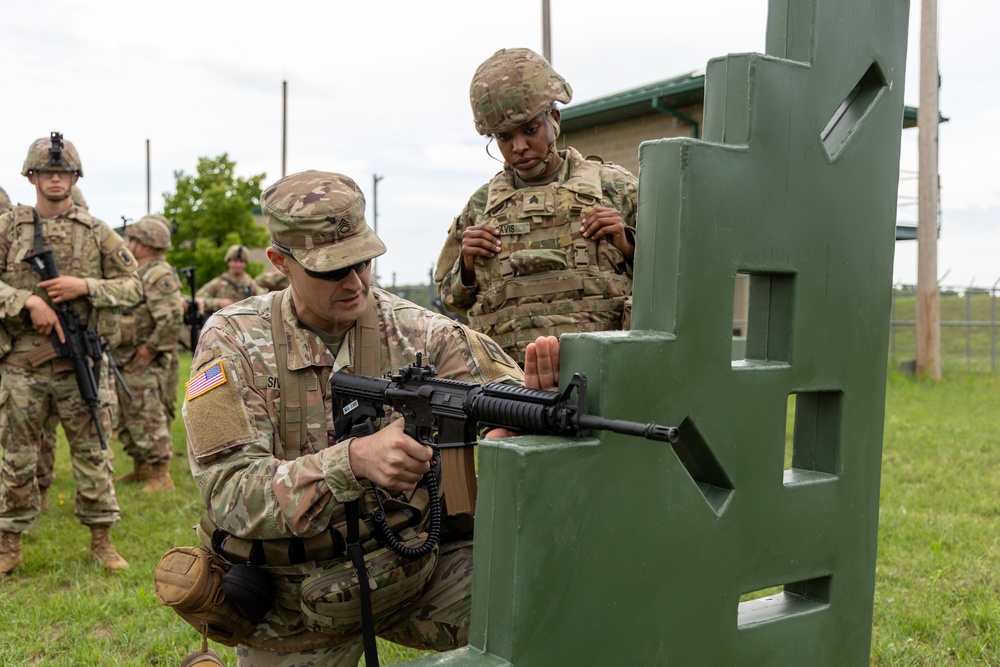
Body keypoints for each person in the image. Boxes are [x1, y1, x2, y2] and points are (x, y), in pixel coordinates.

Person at [181, 170, 556, 666]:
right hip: (293, 601)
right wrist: (352, 462)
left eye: (363, 262)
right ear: (279, 262)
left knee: (545, 601)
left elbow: (501, 393)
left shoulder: (418, 330)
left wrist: (530, 404)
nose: (356, 283)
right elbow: (229, 492)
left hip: (412, 567)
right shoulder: (233, 341)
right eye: (333, 270)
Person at [435, 47, 639, 365]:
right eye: (504, 137)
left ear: (554, 120)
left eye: (530, 130)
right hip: (512, 389)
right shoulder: (480, 207)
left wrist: (627, 245)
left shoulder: (614, 187)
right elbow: (451, 299)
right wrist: (468, 265)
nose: (519, 147)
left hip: (606, 373)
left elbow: (672, 278)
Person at [0, 133, 142, 576]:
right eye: (47, 172)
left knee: (93, 452)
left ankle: (102, 541)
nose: (55, 178)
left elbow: (134, 287)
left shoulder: (97, 231)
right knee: (16, 454)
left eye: (63, 172)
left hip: (79, 360)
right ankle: (9, 545)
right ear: (31, 177)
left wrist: (85, 287)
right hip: (22, 362)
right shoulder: (9, 227)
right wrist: (27, 302)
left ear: (75, 177)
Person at [113, 214, 184, 492]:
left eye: (133, 240)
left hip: (146, 359)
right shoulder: (139, 272)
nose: (128, 244)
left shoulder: (157, 273)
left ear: (147, 245)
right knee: (131, 414)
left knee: (149, 414)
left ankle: (161, 475)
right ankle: (141, 468)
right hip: (129, 357)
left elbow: (171, 317)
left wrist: (150, 349)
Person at [195, 244, 264, 317]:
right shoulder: (218, 283)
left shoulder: (251, 284)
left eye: (241, 262)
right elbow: (197, 300)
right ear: (228, 262)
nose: (238, 265)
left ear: (246, 263)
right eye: (235, 261)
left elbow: (263, 301)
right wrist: (218, 303)